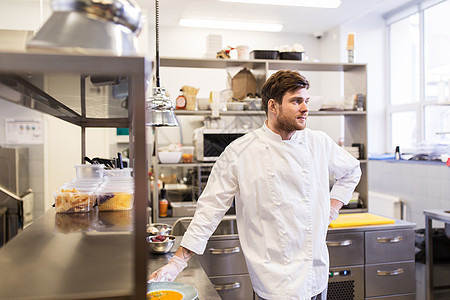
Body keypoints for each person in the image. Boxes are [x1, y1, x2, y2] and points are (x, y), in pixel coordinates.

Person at [149, 70, 361, 299]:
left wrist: (332, 207)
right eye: (296, 101)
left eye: (306, 101)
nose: (305, 108)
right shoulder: (240, 152)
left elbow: (351, 171)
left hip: (315, 275)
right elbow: (209, 210)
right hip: (273, 282)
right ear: (273, 106)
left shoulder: (318, 142)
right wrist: (177, 262)